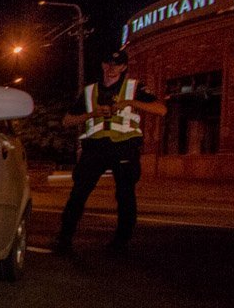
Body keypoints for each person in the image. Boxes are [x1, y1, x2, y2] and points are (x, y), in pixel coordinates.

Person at [53, 49, 166, 253]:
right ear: (103, 65)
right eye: (108, 64)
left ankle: (121, 241)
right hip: (95, 147)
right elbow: (67, 120)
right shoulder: (90, 91)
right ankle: (64, 239)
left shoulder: (134, 87)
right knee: (78, 194)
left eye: (117, 65)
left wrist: (129, 103)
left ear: (124, 67)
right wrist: (92, 114)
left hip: (124, 145)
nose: (112, 68)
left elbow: (161, 109)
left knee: (125, 195)